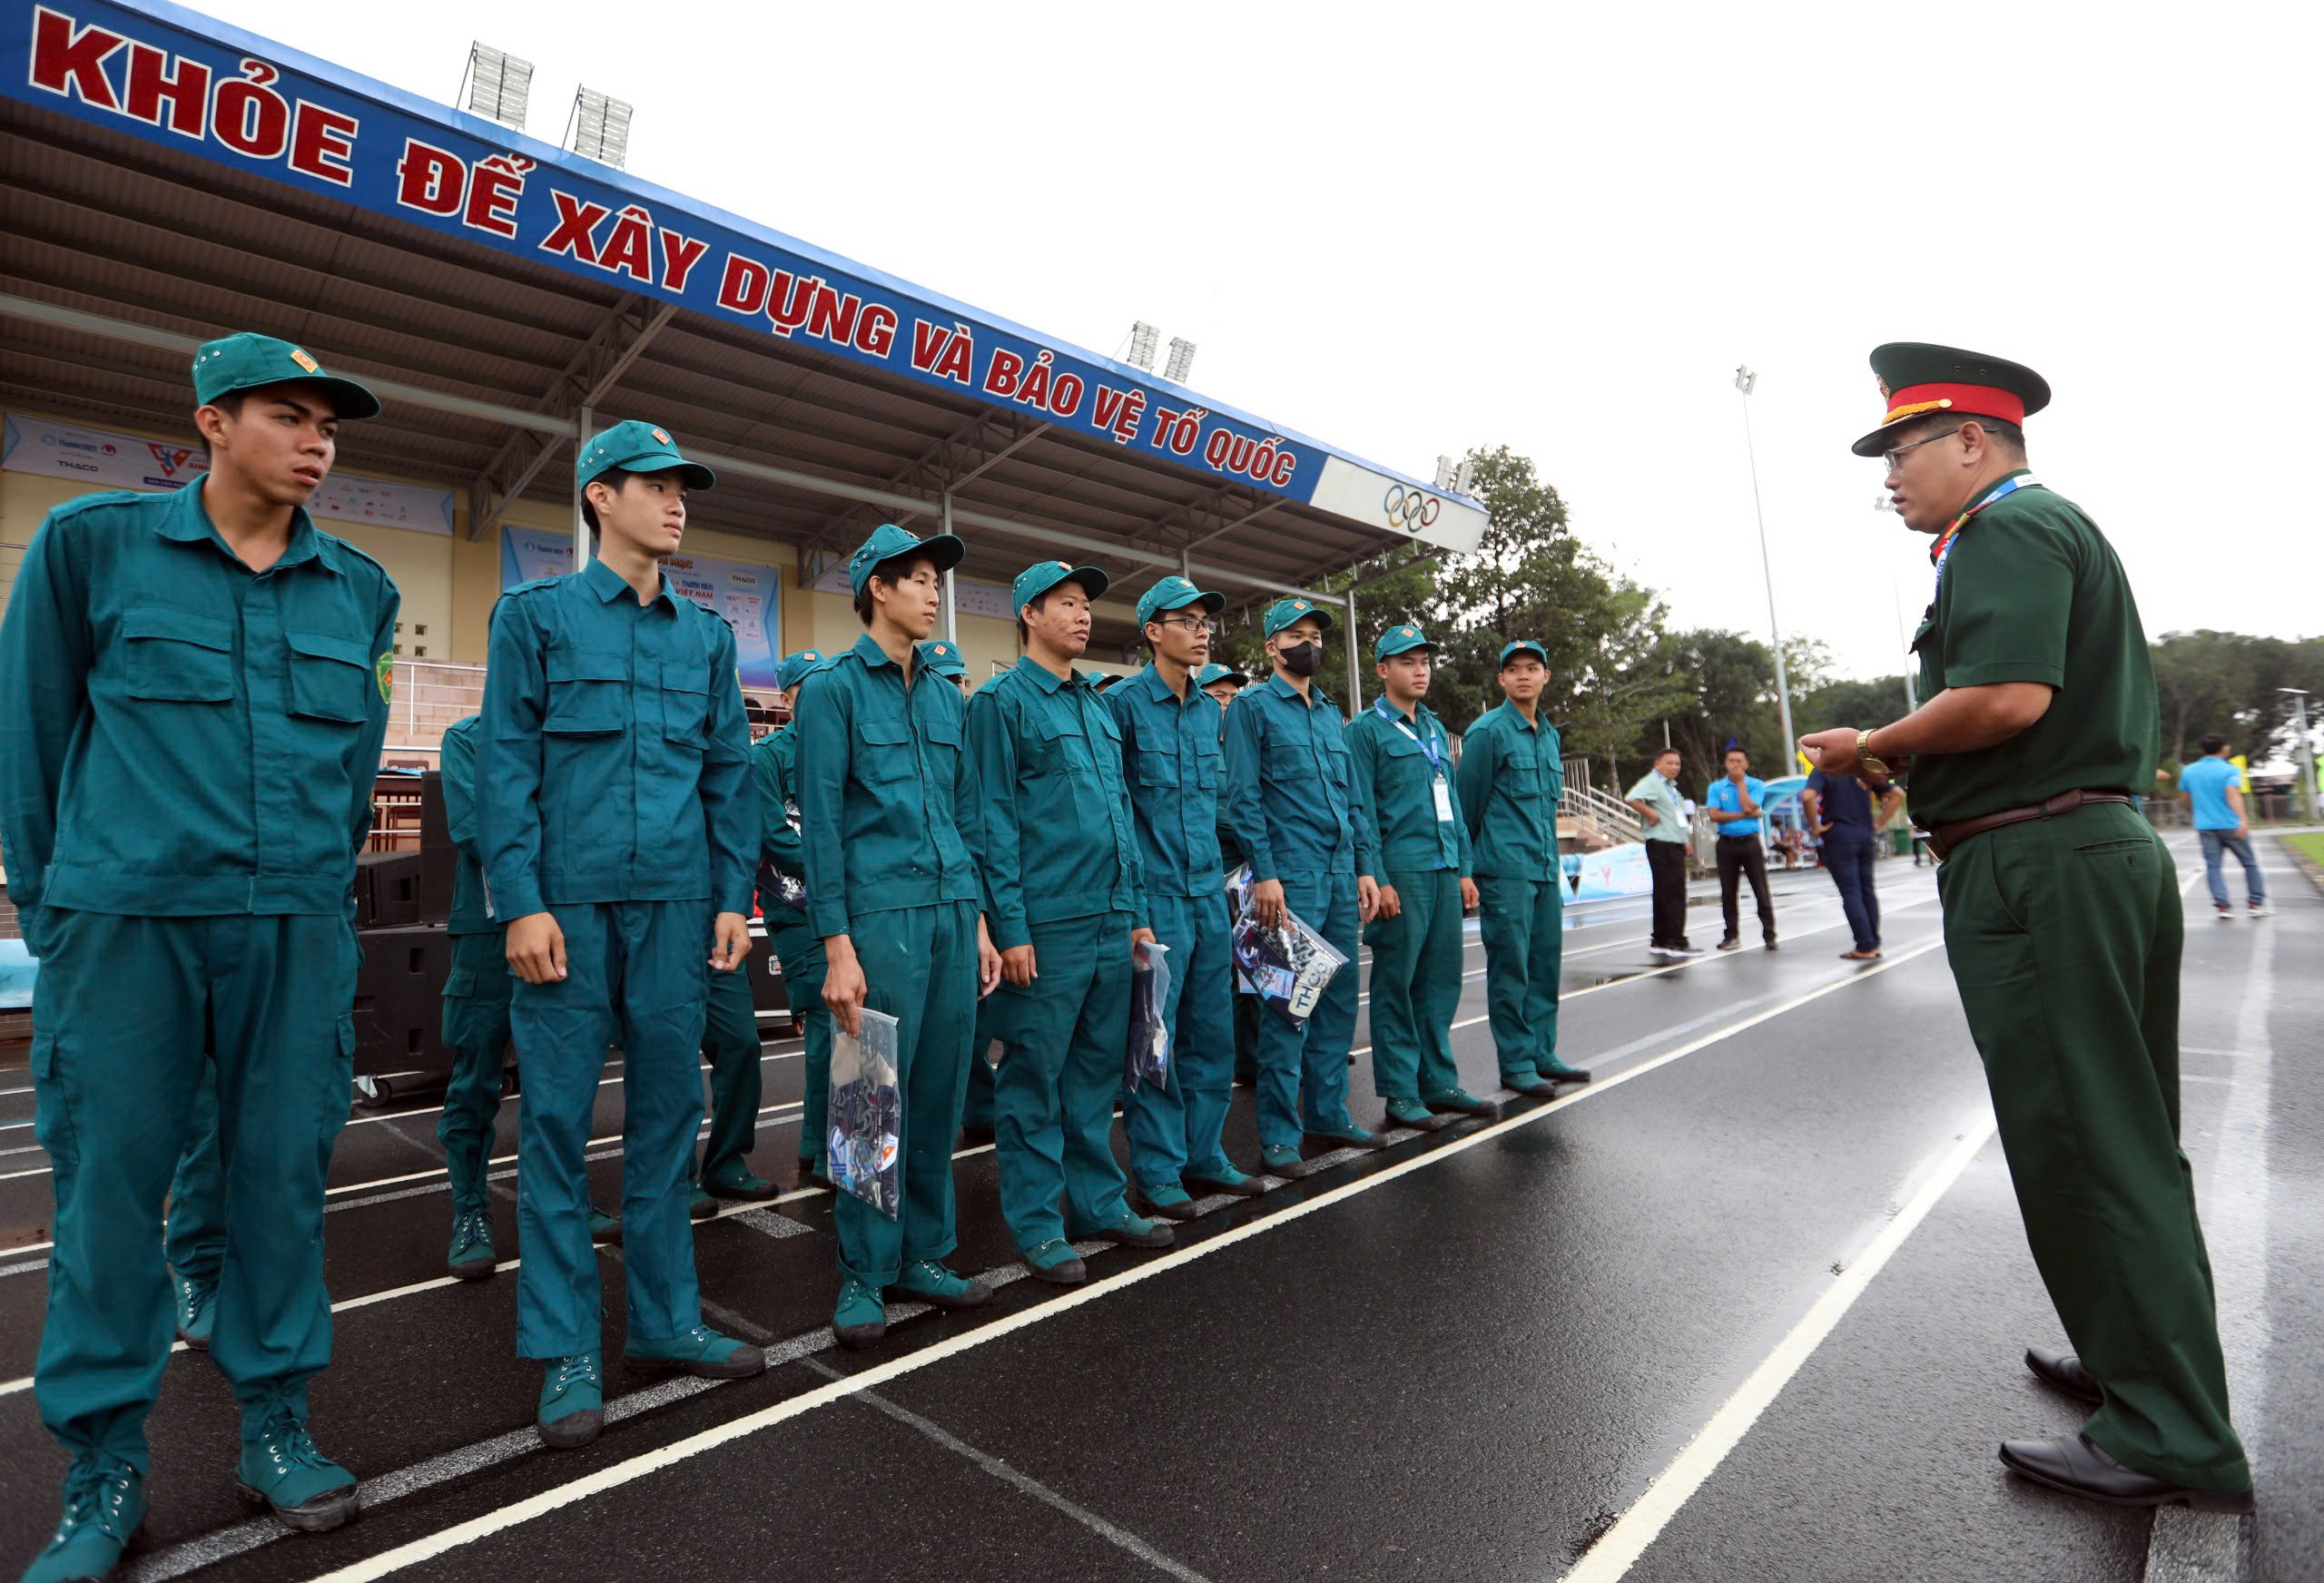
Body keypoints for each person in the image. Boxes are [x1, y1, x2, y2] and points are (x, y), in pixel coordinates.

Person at [1800, 342, 2250, 1512]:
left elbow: (2005, 700)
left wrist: (1875, 745)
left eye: (1901, 452)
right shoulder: (2039, 532)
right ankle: (2136, 1361)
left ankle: (2171, 1434)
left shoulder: (2006, 531)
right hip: (2075, 848)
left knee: (2086, 1141)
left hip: (2039, 865)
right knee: (2121, 1132)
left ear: (1970, 442)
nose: (1889, 477)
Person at [0, 333, 398, 1574]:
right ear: (212, 421)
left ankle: (276, 1424)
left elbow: (351, 775)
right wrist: (54, 917)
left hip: (291, 929)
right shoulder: (90, 547)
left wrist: (317, 907)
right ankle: (104, 1470)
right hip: (126, 925)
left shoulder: (362, 591)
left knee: (279, 1178)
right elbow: (32, 742)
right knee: (111, 1199)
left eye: (328, 424)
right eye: (288, 416)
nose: (317, 440)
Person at [481, 420, 766, 1451]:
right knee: (556, 1127)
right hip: (568, 906)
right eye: (654, 485)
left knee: (667, 1118)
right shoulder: (537, 618)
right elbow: (505, 768)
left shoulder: (706, 636)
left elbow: (727, 777)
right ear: (599, 496)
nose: (677, 501)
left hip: (679, 909)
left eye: (684, 487)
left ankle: (664, 1318)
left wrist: (733, 896)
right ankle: (565, 1349)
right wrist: (518, 899)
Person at [797, 523, 1002, 1347]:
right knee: (867, 1097)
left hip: (953, 913)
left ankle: (925, 1252)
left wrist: (982, 920)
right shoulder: (834, 691)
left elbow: (965, 815)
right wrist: (836, 949)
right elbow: (819, 829)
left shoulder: (945, 696)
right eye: (916, 579)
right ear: (875, 588)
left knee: (939, 1088)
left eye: (934, 581)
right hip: (879, 921)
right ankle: (864, 1272)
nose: (932, 593)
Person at [968, 561, 1171, 1282]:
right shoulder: (1001, 704)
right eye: (1066, 604)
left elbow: (1121, 818)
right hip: (1047, 925)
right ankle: (1037, 1223)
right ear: (1028, 614)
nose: (1083, 615)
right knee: (1033, 1081)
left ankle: (1099, 1202)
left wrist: (1138, 914)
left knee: (1093, 1079)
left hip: (1112, 919)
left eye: (1087, 604)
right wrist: (1012, 927)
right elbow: (990, 822)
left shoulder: (1095, 705)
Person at [1108, 577, 1265, 1211]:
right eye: (1188, 620)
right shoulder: (1122, 706)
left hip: (1209, 894)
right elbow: (1118, 814)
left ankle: (1205, 1154)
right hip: (1157, 900)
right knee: (1156, 1041)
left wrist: (1258, 873)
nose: (1203, 629)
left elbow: (1224, 804)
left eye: (1206, 620)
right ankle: (1160, 1167)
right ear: (1152, 631)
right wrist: (1133, 910)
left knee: (1213, 1036)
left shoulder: (1211, 711)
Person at [1221, 598, 1386, 1177]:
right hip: (1289, 879)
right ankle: (1278, 1136)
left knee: (1338, 1001)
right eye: (1295, 634)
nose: (1308, 643)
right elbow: (1242, 797)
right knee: (1288, 1006)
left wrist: (1365, 866)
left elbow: (1353, 801)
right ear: (1271, 647)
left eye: (1315, 634)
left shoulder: (1329, 714)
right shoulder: (1251, 709)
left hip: (1341, 874)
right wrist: (1265, 872)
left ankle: (1327, 1113)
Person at [1346, 626, 1499, 1126]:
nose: (1420, 670)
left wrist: (1465, 868)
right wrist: (1377, 876)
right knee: (1396, 982)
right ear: (1382, 669)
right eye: (1407, 661)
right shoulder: (1366, 731)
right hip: (1402, 871)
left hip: (1443, 868)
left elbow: (1452, 802)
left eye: (1425, 662)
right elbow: (1362, 810)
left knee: (1440, 983)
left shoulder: (1433, 727)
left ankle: (1439, 1081)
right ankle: (1400, 1091)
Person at [1458, 639, 1590, 1100]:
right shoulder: (1487, 733)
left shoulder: (1550, 734)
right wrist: (1467, 869)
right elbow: (1466, 808)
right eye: (1513, 669)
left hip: (1543, 867)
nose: (1523, 676)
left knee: (1543, 964)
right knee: (1511, 968)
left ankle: (1542, 1052)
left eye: (1532, 667)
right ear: (1501, 680)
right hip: (1504, 870)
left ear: (1546, 676)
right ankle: (1515, 1061)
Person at [750, 649, 833, 1195]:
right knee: (827, 1017)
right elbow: (772, 835)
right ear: (786, 699)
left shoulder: (839, 749)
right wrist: (835, 867)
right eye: (809, 690)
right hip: (797, 907)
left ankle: (826, 1138)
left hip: (842, 903)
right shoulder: (767, 758)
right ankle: (819, 1142)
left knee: (848, 1018)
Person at [1196, 662, 1263, 1086]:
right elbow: (1221, 812)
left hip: (1251, 873)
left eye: (1233, 696)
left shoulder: (1242, 745)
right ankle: (1234, 1059)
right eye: (1219, 696)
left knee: (1257, 969)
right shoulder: (1200, 744)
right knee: (1223, 974)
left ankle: (1255, 1055)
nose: (1228, 703)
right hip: (1216, 874)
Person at [1803, 758, 1903, 960]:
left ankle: (1865, 946)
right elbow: (1897, 794)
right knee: (1867, 891)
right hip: (1865, 836)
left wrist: (1815, 827)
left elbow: (1807, 797)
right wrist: (1879, 823)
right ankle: (1872, 943)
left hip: (1839, 836)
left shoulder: (1824, 768)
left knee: (1851, 893)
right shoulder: (1862, 769)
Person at [2180, 735, 2270, 920]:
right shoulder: (2229, 770)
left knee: (2213, 866)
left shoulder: (2189, 771)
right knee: (2249, 863)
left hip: (2205, 825)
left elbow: (2185, 800)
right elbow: (2232, 795)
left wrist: (2197, 813)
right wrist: (2243, 820)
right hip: (2230, 824)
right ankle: (2255, 904)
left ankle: (2222, 906)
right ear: (2223, 748)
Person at [1625, 748, 1700, 958]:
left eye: (1677, 763)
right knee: (1674, 893)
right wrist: (1650, 813)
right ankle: (1675, 942)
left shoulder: (1671, 788)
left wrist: (1684, 840)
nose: (1675, 767)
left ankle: (1660, 939)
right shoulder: (1653, 782)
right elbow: (1631, 797)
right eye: (1670, 763)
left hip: (1673, 842)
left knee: (1663, 893)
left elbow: (1676, 815)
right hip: (1662, 844)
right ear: (1657, 764)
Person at [1704, 745, 1777, 951]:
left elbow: (1748, 805)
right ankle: (1731, 935)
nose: (1735, 765)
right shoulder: (1716, 788)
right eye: (1731, 761)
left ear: (1746, 764)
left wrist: (1741, 784)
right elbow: (1715, 815)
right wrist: (1746, 815)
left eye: (1739, 761)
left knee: (1760, 890)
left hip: (1750, 843)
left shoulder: (1757, 785)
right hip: (1726, 843)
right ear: (1725, 764)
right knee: (1728, 892)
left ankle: (1769, 935)